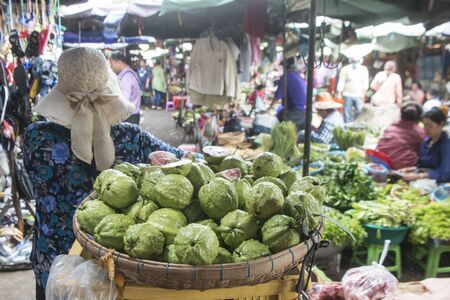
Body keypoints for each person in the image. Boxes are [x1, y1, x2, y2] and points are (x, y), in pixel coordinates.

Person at [23, 47, 192, 299]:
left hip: (55, 264)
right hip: (115, 269)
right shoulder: (133, 138)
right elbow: (186, 161)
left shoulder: (36, 139)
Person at [399, 107, 449, 183]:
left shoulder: (446, 144)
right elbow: (421, 165)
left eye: (430, 126)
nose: (426, 129)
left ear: (441, 125)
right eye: (424, 126)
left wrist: (420, 176)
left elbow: (445, 172)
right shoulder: (426, 142)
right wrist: (409, 169)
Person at [376, 103, 426, 170]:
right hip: (403, 168)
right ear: (420, 118)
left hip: (381, 162)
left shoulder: (391, 127)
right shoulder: (420, 132)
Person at [270, 57, 307, 130]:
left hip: (296, 113)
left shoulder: (286, 77)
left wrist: (268, 109)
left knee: (282, 130)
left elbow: (277, 97)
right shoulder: (297, 76)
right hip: (302, 112)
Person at [109, 52, 141, 124]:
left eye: (111, 65)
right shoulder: (126, 75)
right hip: (131, 114)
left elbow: (124, 99)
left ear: (119, 63)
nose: (111, 68)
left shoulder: (127, 77)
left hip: (130, 116)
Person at [336, 56, 369, 123]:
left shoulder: (363, 69)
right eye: (353, 61)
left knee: (359, 111)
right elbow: (341, 81)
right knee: (347, 112)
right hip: (347, 94)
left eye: (357, 61)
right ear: (350, 61)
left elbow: (365, 81)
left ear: (360, 61)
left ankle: (357, 126)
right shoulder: (345, 69)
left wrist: (364, 93)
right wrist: (339, 93)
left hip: (359, 94)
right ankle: (346, 127)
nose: (355, 63)